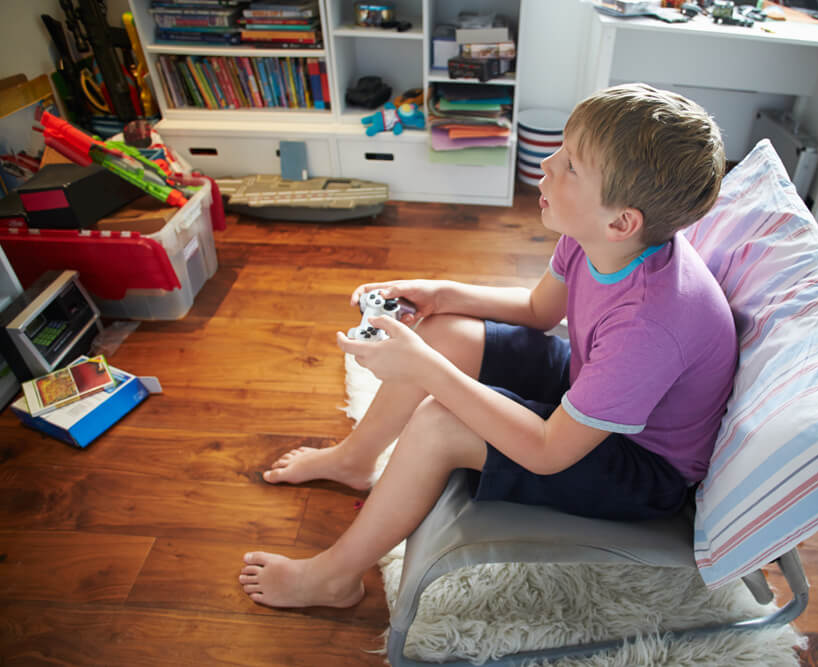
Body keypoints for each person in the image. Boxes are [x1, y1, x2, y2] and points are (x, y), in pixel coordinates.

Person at [239, 83, 737, 609]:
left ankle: (332, 577)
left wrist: (428, 372)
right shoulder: (598, 236)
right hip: (592, 388)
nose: (546, 162)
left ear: (621, 221)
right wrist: (443, 293)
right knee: (446, 331)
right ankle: (354, 460)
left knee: (440, 421)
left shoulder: (650, 327)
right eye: (561, 149)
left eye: (570, 165)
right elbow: (539, 312)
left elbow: (547, 452)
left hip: (640, 466)